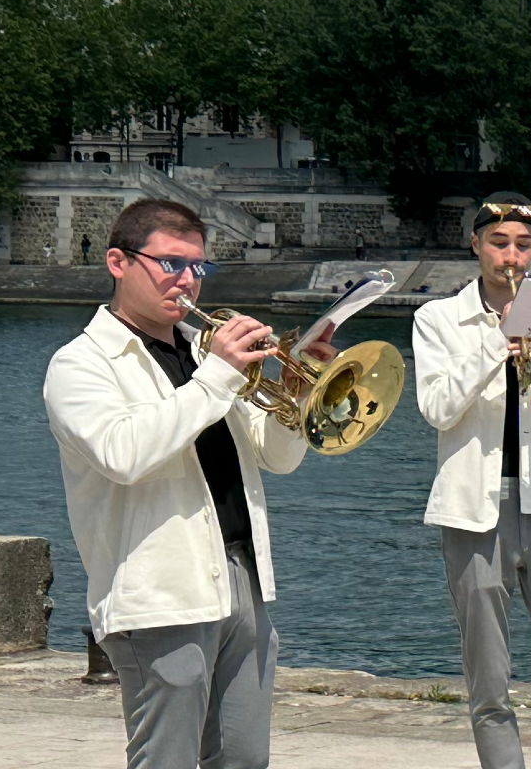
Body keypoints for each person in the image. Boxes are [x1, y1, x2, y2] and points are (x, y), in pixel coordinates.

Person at [43, 199, 325, 768]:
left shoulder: (203, 354)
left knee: (244, 759)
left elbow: (275, 457)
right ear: (118, 262)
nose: (187, 282)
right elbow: (125, 454)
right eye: (171, 264)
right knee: (166, 759)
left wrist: (300, 395)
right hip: (158, 585)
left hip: (239, 571)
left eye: (197, 267)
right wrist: (219, 375)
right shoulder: (79, 364)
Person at [414, 191, 531, 769]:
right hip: (473, 508)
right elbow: (437, 409)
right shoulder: (437, 318)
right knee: (489, 677)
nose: (512, 257)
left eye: (524, 245)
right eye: (499, 243)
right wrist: (498, 347)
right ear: (475, 245)